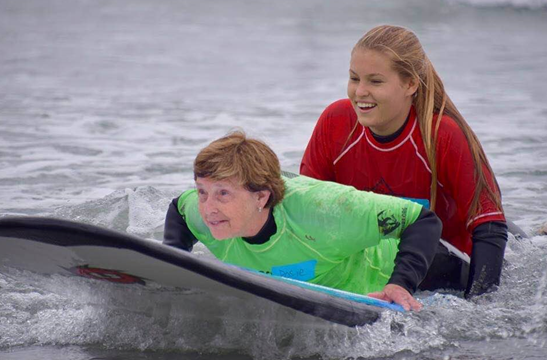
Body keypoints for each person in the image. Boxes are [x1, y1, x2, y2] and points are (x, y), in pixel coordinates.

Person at [300, 25, 507, 298]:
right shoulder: (336, 122)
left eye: (375, 82)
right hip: (370, 258)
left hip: (443, 263)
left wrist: (480, 304)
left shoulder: (441, 136)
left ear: (410, 84)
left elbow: (489, 226)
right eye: (354, 78)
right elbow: (304, 207)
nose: (360, 91)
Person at [164, 131, 442, 311]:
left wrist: (402, 283)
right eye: (203, 192)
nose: (208, 208)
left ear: (261, 197)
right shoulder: (203, 216)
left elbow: (422, 221)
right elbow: (179, 208)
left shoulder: (326, 211)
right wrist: (173, 258)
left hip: (424, 273)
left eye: (223, 193)